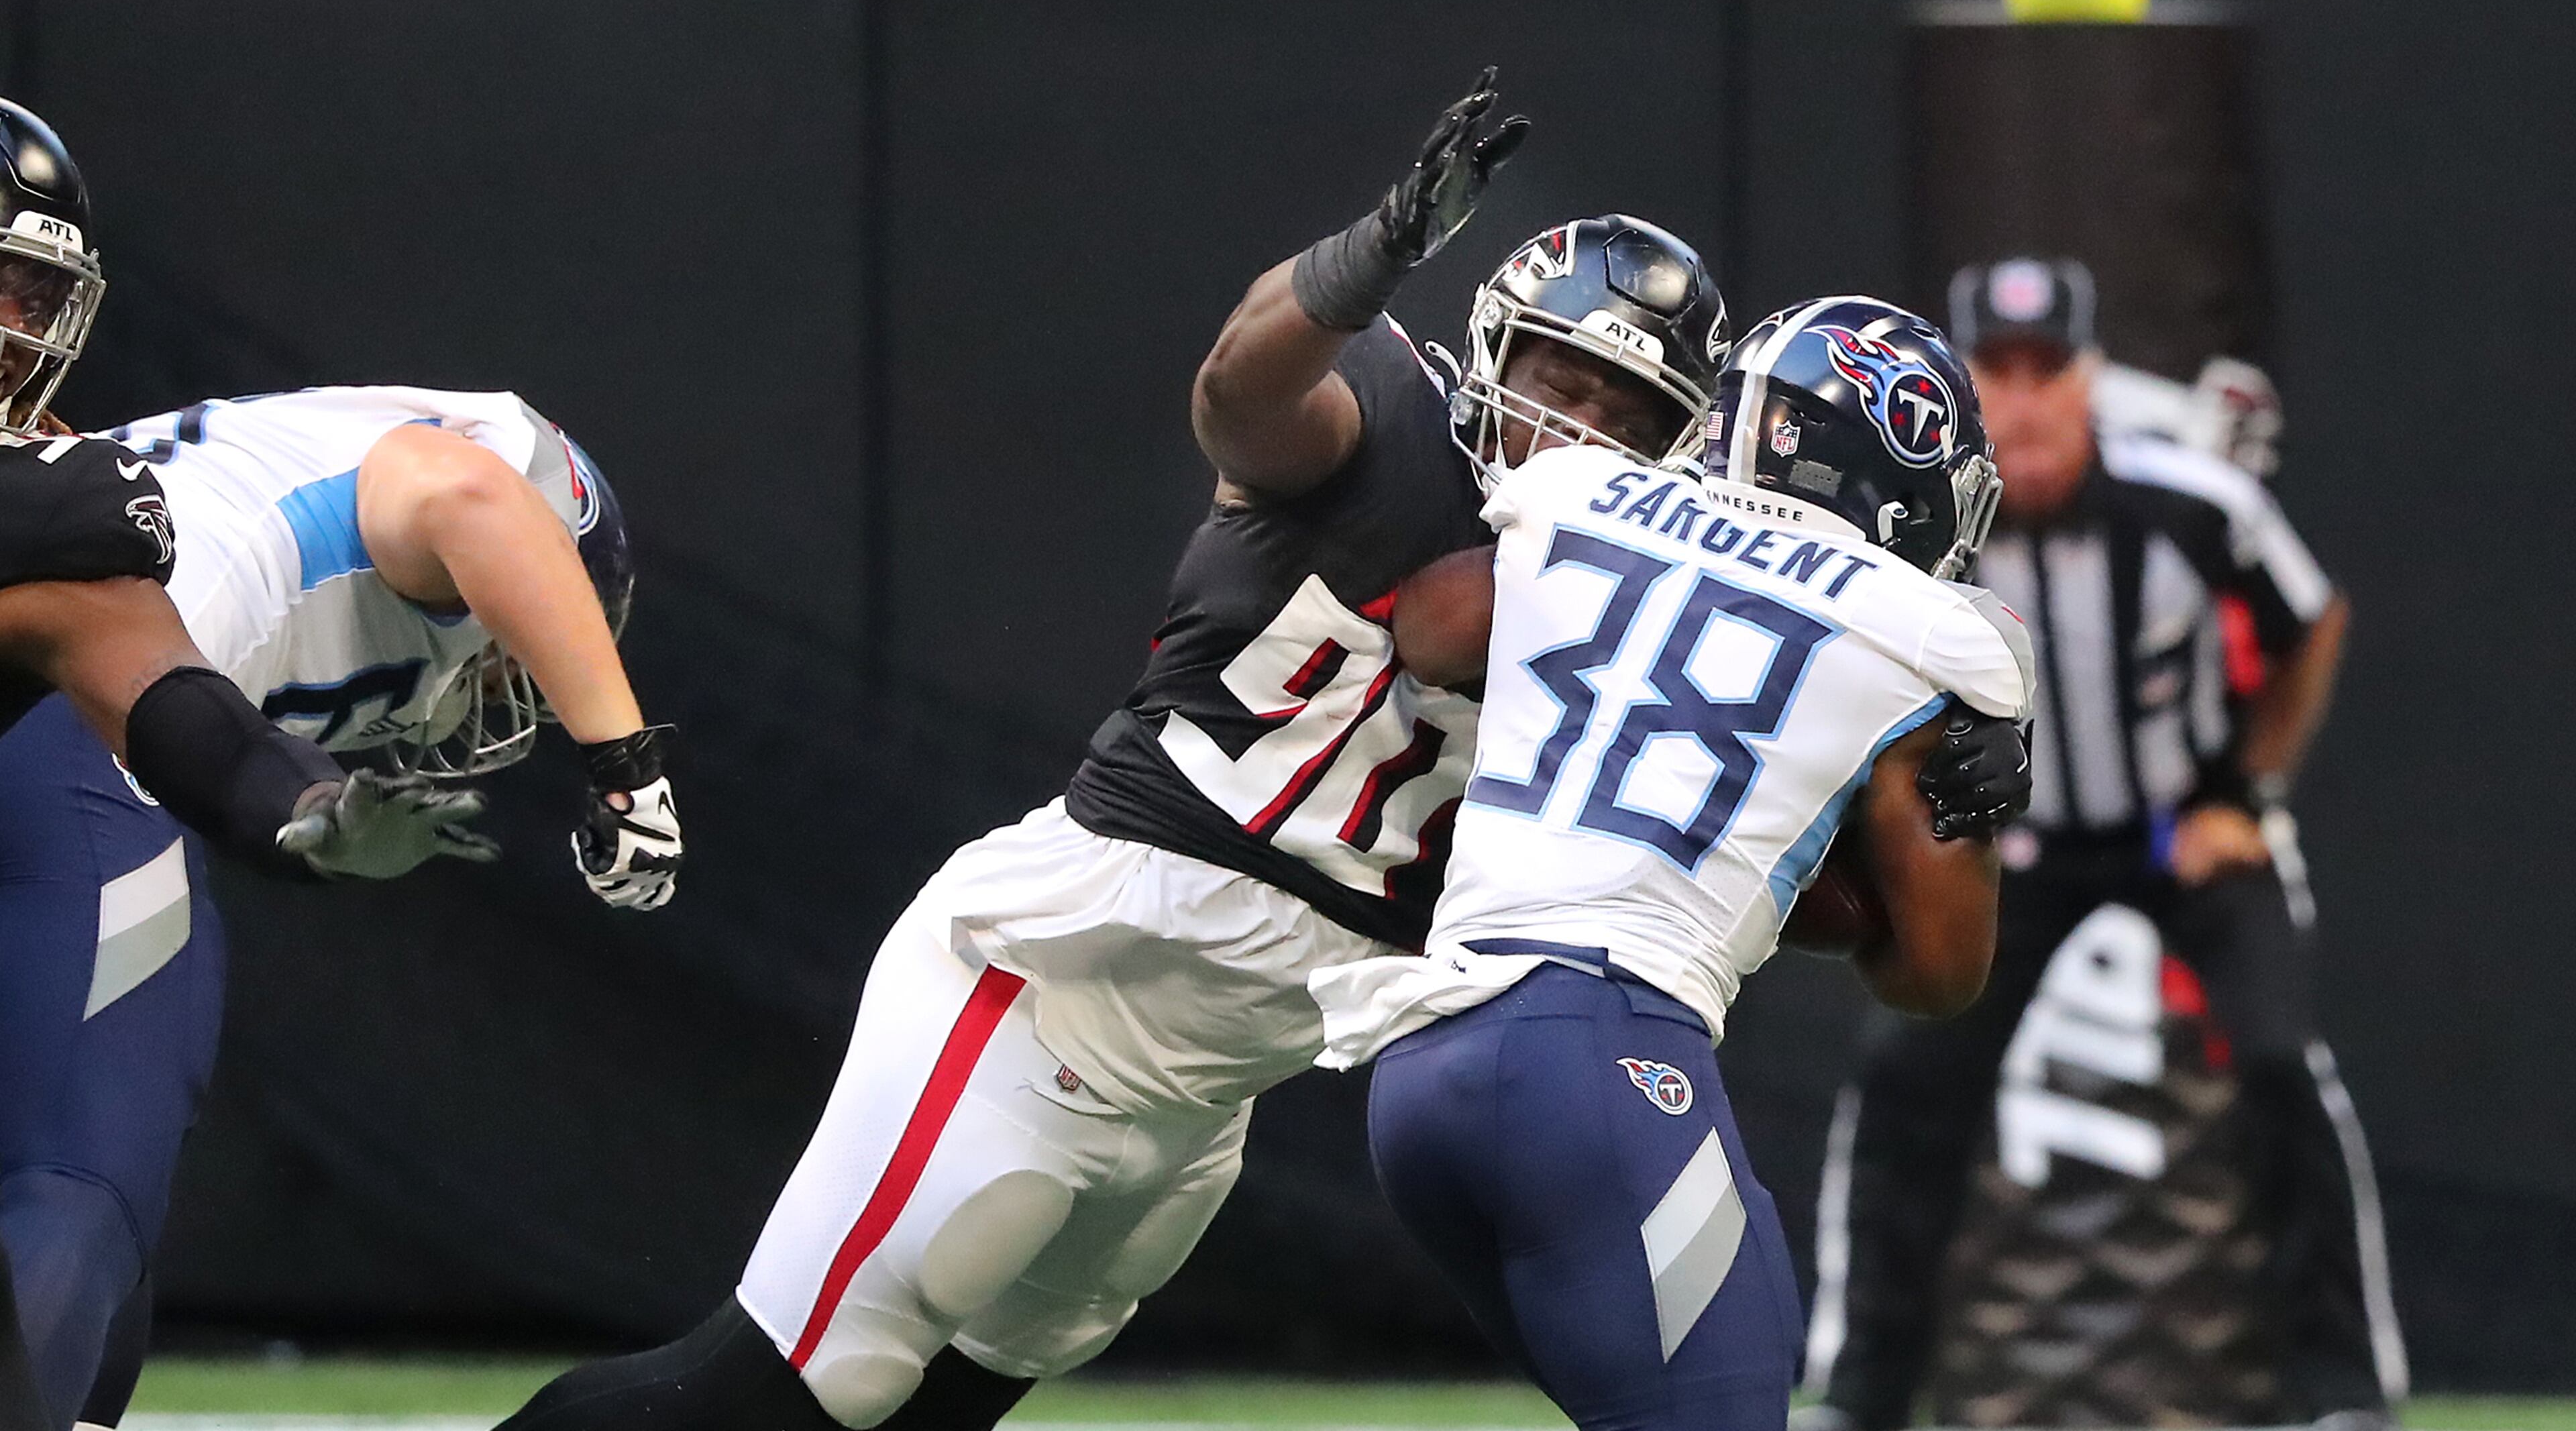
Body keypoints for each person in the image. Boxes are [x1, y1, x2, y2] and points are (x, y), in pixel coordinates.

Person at [492, 70, 1794, 1431]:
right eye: (1558, 381)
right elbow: (1240, 392)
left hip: (1205, 1096)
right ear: (1491, 358)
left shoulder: (1640, 610)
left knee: (927, 1422)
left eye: (1627, 412)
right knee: (778, 1396)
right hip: (1047, 984)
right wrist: (1371, 256)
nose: (1581, 426)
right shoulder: (1384, 413)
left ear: (1680, 445)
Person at [1308, 297, 2031, 1431]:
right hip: (1598, 1061)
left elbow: (1436, 631)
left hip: (1421, 1068)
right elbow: (1939, 972)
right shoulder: (1936, 635)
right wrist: (1981, 771)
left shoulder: (1578, 493)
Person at [0, 381, 679, 1431]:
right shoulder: (435, 475)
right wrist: (625, 762)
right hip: (74, 736)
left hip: (77, 723)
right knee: (83, 1175)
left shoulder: (175, 490)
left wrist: (305, 809)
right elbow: (467, 491)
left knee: (95, 1202)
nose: (515, 674)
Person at [1801, 258, 2397, 1431]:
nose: (2024, 402)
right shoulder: (1918, 526)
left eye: (2048, 371)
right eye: (1998, 374)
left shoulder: (2191, 504)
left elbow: (2311, 619)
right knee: (1906, 1082)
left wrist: (2247, 788)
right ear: (1963, 388)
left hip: (2184, 836)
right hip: (2016, 852)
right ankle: (1861, 1394)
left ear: (2091, 382)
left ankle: (2343, 1397)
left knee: (2282, 1064)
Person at [0, 96, 500, 1431]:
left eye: (21, 288)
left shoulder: (53, 512)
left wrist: (310, 815)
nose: (7, 325)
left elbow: (179, 709)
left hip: (48, 809)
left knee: (76, 1200)